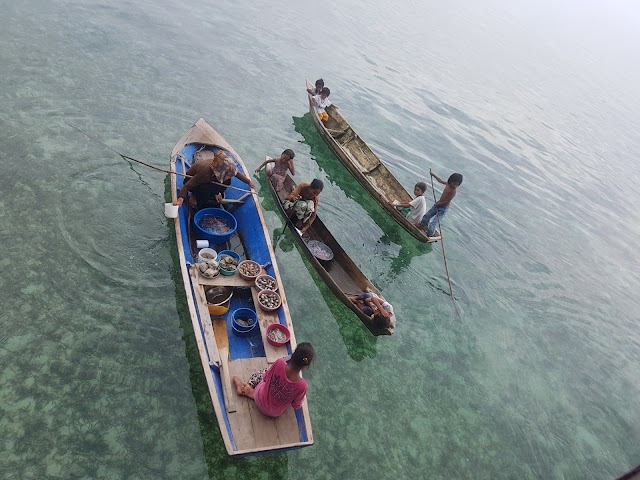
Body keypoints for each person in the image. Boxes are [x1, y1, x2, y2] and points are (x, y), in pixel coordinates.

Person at [232, 342, 314, 418]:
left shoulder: (280, 363)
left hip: (259, 399)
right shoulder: (302, 385)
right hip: (275, 413)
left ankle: (247, 388)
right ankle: (249, 391)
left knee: (263, 372)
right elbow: (296, 405)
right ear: (306, 365)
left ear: (293, 355)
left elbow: (265, 378)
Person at [175, 150, 255, 210]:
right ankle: (194, 195)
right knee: (204, 194)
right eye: (226, 175)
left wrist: (249, 182)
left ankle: (216, 194)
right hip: (194, 182)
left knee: (228, 181)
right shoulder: (205, 173)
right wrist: (181, 199)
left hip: (211, 180)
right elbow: (187, 186)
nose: (229, 176)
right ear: (219, 173)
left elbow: (237, 174)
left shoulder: (227, 169)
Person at [419, 172, 463, 237]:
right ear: (450, 181)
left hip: (443, 209)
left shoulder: (453, 191)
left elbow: (447, 202)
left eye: (457, 185)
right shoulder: (447, 184)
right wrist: (433, 175)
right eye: (454, 183)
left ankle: (429, 234)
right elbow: (440, 180)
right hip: (437, 205)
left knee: (433, 224)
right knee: (426, 216)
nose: (455, 186)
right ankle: (423, 226)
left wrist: (438, 203)